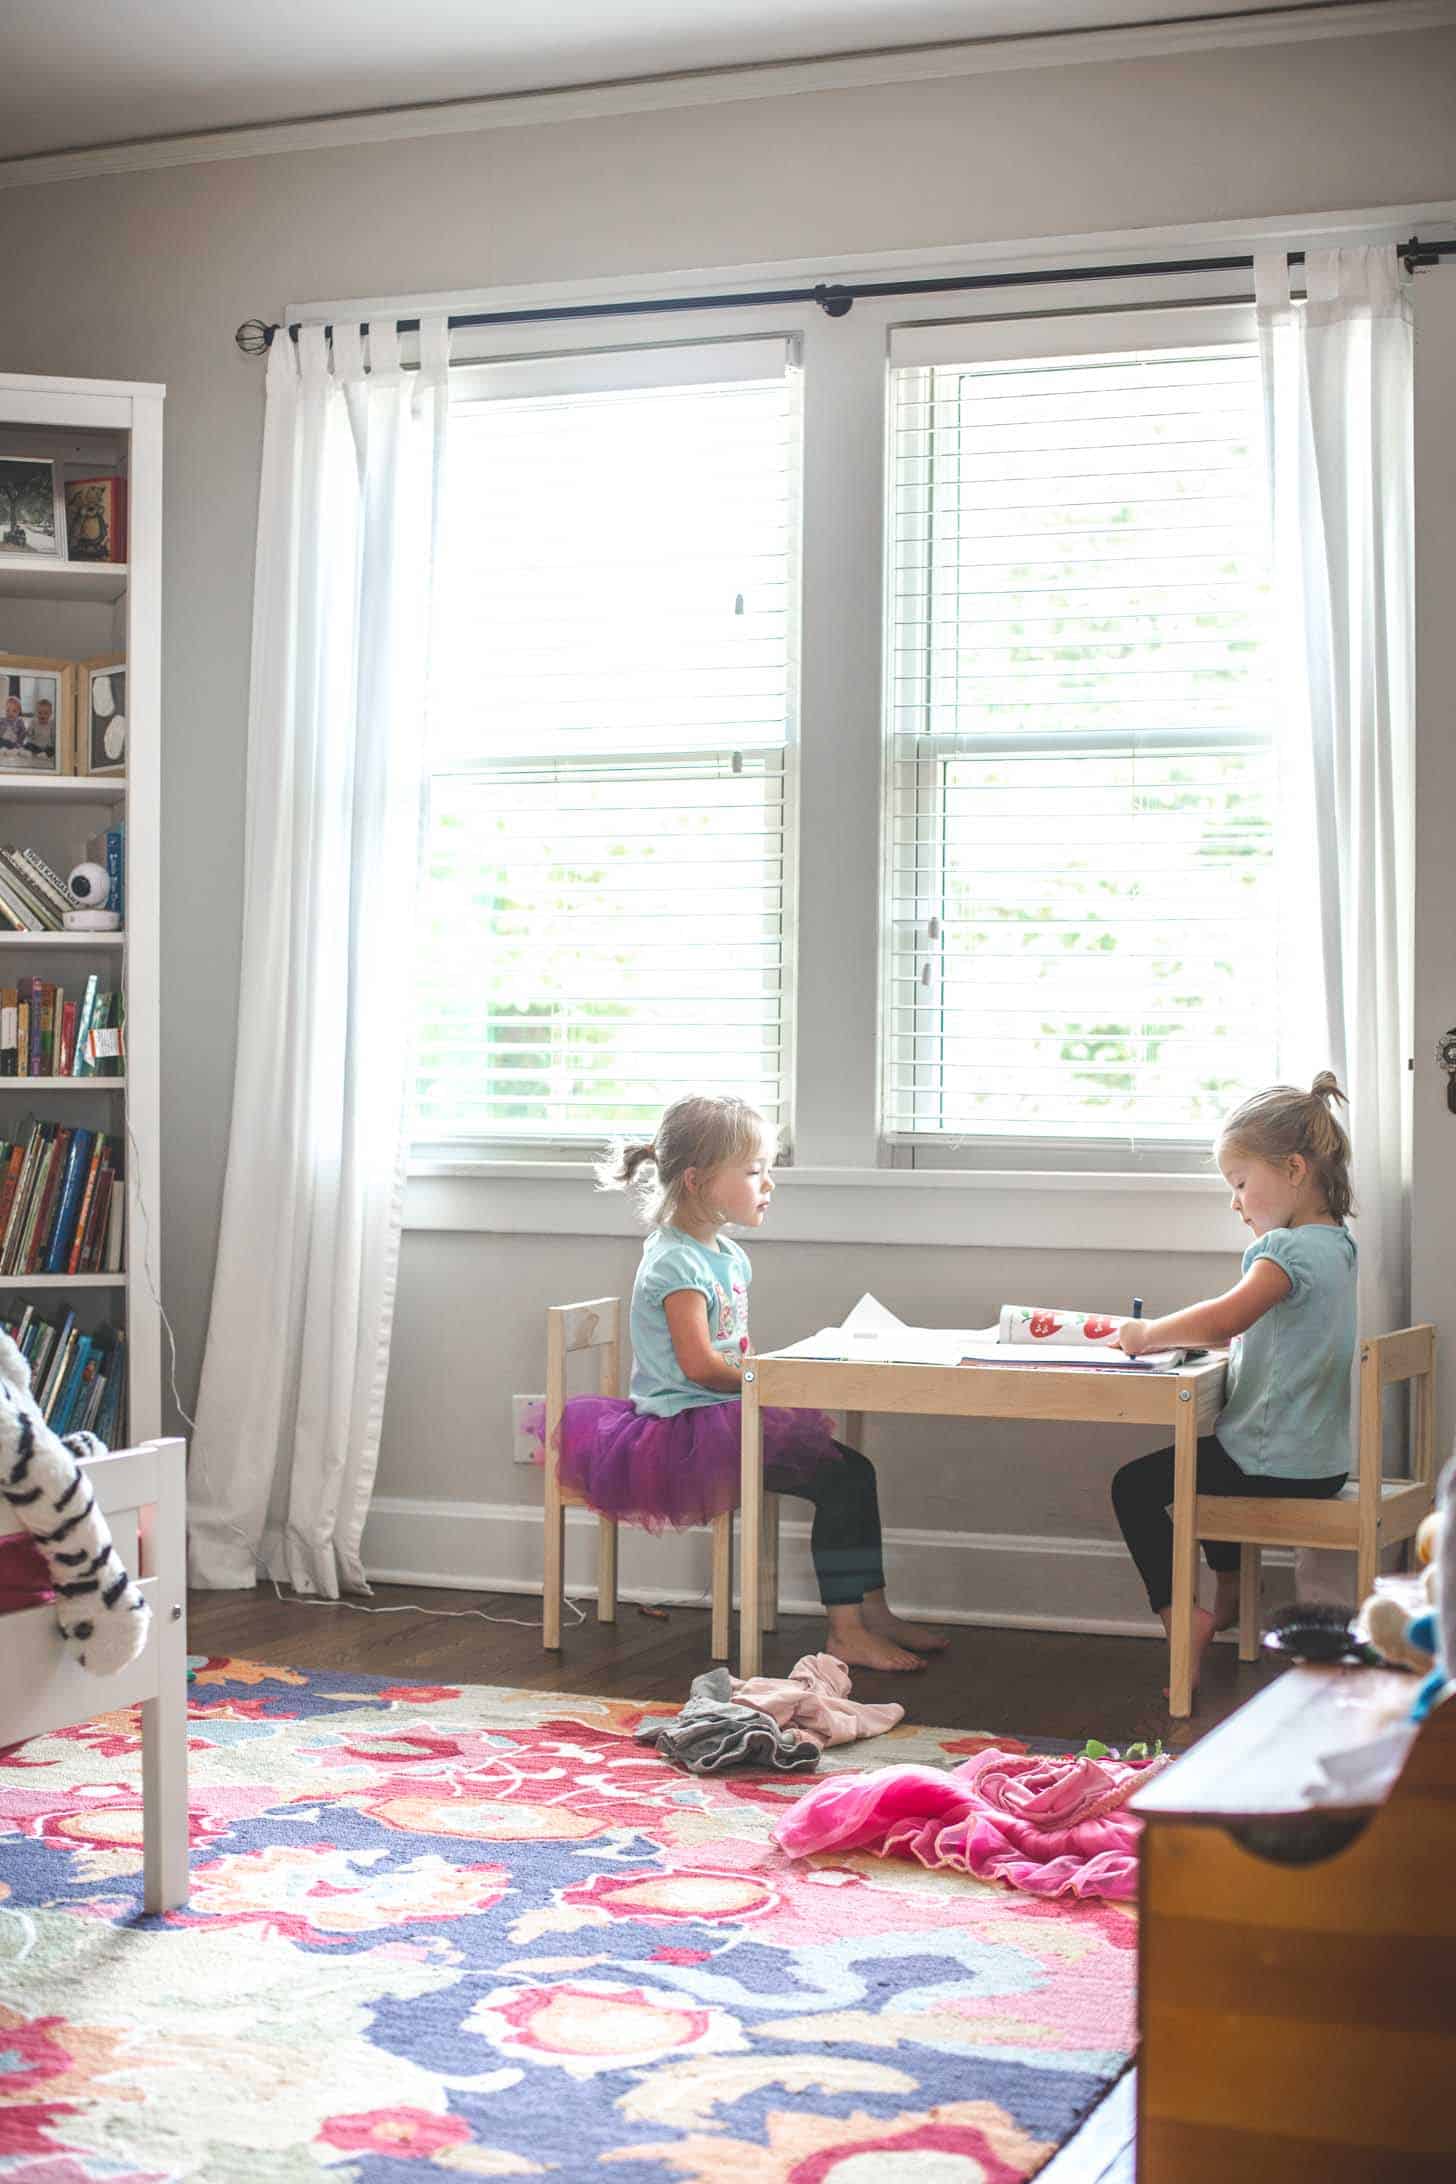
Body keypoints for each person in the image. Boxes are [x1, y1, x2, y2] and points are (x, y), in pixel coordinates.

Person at [548, 1093, 946, 1672]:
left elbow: (734, 1348)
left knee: (853, 1474)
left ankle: (870, 1611)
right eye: (755, 1171)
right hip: (686, 1432)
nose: (770, 1184)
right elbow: (701, 1366)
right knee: (843, 1481)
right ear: (697, 1181)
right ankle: (846, 1631)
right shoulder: (674, 1265)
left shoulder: (726, 1255)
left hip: (722, 1415)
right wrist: (766, 1379)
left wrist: (765, 1368)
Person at [1110, 1073, 1357, 1690]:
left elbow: (1229, 1314)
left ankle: (1181, 1617)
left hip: (1271, 1460)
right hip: (1321, 1460)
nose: (1235, 1201)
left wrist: (1148, 1334)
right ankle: (1228, 1594)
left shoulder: (1286, 1250)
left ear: (1294, 1170)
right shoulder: (1338, 1247)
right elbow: (1259, 1330)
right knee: (1208, 1460)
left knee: (1135, 1487)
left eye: (1242, 1184)